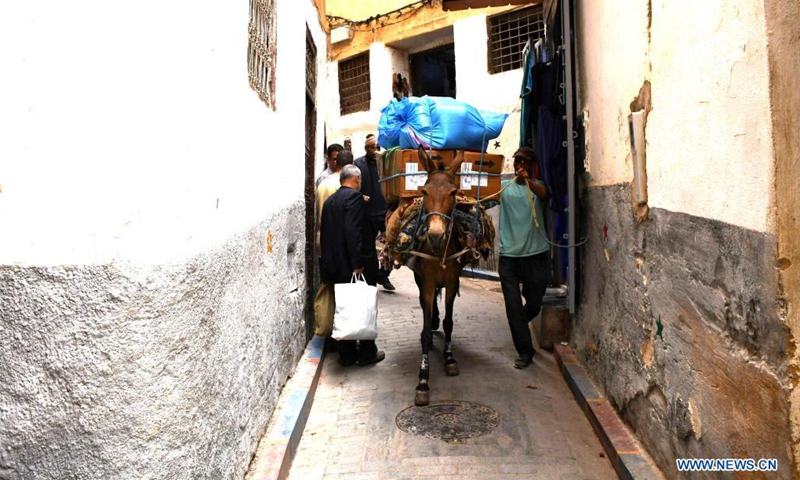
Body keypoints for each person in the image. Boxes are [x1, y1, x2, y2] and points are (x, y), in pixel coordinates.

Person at [320, 164, 386, 367]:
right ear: (357, 178)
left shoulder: (331, 200)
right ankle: (366, 352)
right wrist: (358, 263)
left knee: (345, 308)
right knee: (363, 306)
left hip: (337, 264)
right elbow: (353, 232)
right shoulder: (355, 198)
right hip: (355, 265)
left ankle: (346, 354)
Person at [498, 147, 549, 369]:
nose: (520, 165)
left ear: (531, 165)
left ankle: (518, 324)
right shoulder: (503, 188)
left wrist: (529, 182)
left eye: (524, 162)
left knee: (535, 303)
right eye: (517, 161)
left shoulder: (537, 186)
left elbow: (544, 195)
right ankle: (525, 351)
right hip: (509, 256)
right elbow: (483, 197)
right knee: (513, 306)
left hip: (536, 254)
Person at [355, 134, 395, 291]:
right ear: (366, 148)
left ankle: (383, 274)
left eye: (378, 147)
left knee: (391, 245)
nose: (376, 150)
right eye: (372, 147)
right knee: (368, 249)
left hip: (385, 212)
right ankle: (371, 278)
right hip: (367, 213)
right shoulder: (359, 164)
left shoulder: (387, 163)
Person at [315, 150, 354, 257]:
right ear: (352, 166)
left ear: (336, 163)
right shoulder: (346, 185)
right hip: (339, 243)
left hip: (322, 239)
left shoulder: (323, 183)